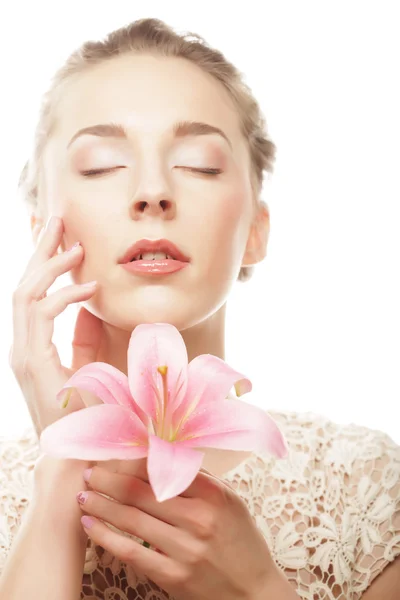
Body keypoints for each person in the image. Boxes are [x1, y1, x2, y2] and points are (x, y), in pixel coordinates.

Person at [0, 16, 399, 600]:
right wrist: (63, 475)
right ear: (46, 239)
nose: (153, 190)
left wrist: (257, 587)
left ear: (255, 232)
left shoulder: (368, 485)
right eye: (102, 165)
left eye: (201, 164)